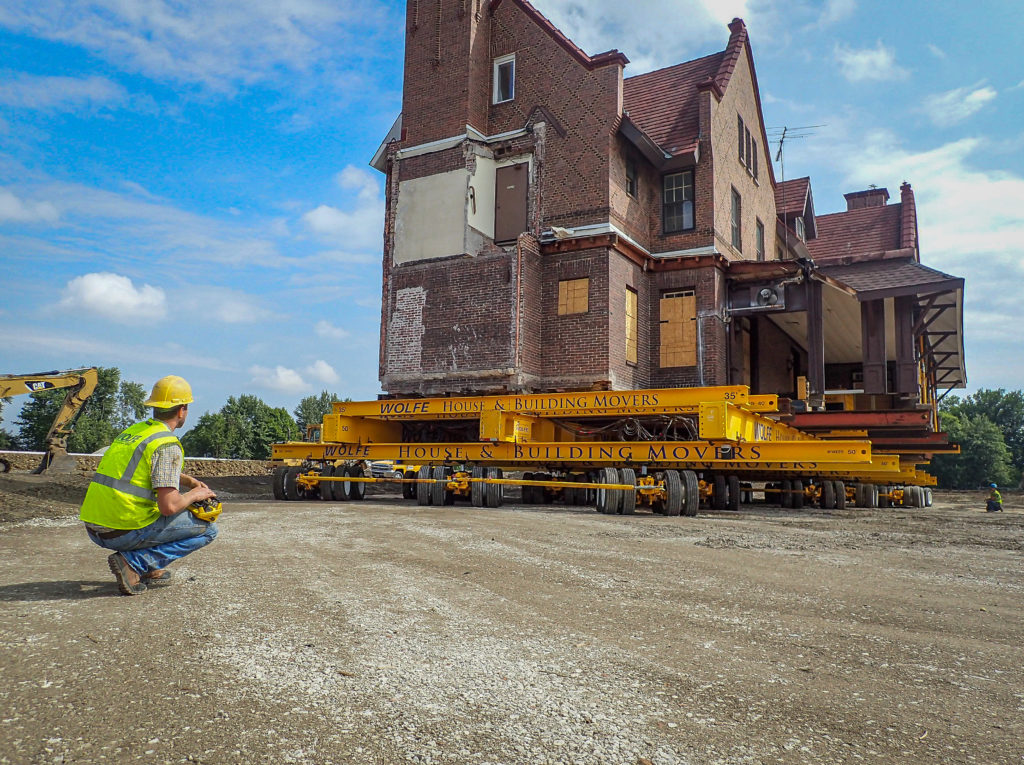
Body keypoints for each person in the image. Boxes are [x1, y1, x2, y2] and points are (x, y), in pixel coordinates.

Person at [80, 375, 218, 595]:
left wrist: (188, 480)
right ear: (182, 410)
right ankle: (134, 563)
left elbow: (145, 468)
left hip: (95, 526)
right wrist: (195, 494)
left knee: (156, 514)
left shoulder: (134, 432)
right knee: (208, 530)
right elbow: (169, 507)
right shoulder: (167, 444)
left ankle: (150, 569)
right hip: (121, 530)